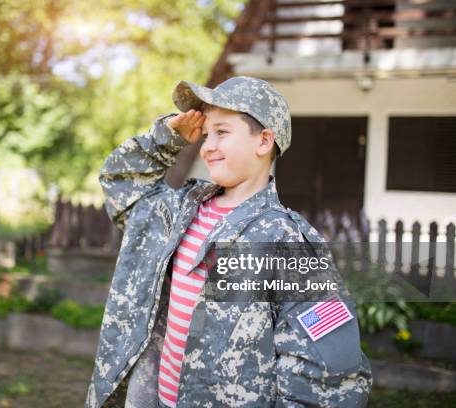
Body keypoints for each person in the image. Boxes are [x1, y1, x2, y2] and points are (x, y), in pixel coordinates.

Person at [85, 76, 372, 408]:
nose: (207, 146)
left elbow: (329, 374)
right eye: (206, 135)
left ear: (264, 141)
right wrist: (168, 139)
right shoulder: (178, 210)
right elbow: (121, 183)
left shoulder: (288, 240)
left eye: (222, 132)